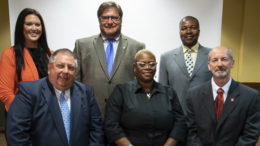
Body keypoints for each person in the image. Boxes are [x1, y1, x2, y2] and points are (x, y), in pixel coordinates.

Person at [6, 49, 104, 146]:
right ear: (49, 68)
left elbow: (96, 130)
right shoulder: (29, 92)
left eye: (71, 68)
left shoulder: (86, 92)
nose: (66, 71)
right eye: (60, 66)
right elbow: (17, 135)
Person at [73, 1, 145, 117]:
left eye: (114, 18)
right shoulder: (81, 45)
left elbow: (141, 84)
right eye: (105, 18)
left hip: (126, 116)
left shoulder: (137, 47)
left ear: (121, 20)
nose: (110, 22)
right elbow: (75, 82)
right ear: (99, 20)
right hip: (90, 114)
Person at [104, 49, 186, 146]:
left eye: (152, 64)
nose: (148, 67)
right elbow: (111, 125)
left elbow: (180, 123)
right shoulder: (121, 91)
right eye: (142, 64)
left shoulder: (169, 92)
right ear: (135, 67)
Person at [186, 46, 260, 146]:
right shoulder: (194, 95)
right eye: (214, 60)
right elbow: (191, 132)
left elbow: (250, 135)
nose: (219, 64)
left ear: (232, 63)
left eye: (224, 59)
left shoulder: (251, 96)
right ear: (209, 65)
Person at [0, 8, 52, 111]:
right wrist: (22, 113)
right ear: (21, 27)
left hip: (48, 115)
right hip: (24, 116)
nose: (34, 28)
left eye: (37, 24)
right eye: (29, 24)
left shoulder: (50, 54)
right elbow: (5, 91)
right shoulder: (10, 54)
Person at [159, 16, 212, 114]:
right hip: (177, 117)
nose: (188, 31)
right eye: (184, 28)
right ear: (179, 32)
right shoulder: (166, 57)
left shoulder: (212, 55)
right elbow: (163, 92)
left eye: (193, 27)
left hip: (205, 116)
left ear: (199, 31)